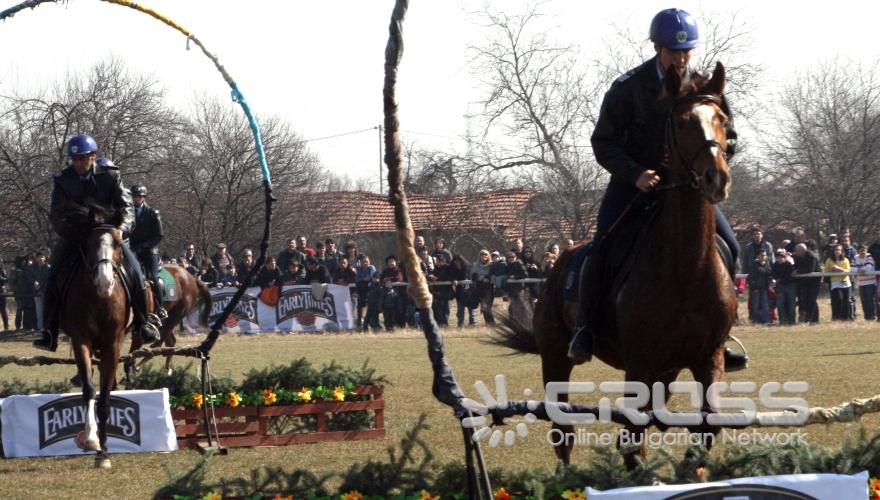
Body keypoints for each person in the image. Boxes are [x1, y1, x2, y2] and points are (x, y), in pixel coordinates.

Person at [568, 8, 745, 370]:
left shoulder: (705, 89)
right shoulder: (627, 88)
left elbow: (731, 137)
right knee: (600, 246)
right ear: (656, 47)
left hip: (689, 189)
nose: (680, 58)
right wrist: (635, 174)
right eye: (672, 51)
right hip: (635, 186)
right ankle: (585, 329)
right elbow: (603, 143)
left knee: (733, 247)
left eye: (686, 51)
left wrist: (712, 162)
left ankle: (719, 335)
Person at [33, 134, 160, 351]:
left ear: (93, 157)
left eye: (83, 158)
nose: (79, 164)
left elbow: (127, 208)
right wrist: (76, 233)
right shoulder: (63, 179)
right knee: (53, 276)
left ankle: (143, 324)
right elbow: (57, 216)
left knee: (138, 273)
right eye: (75, 159)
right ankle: (49, 331)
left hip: (111, 236)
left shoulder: (110, 176)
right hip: (77, 237)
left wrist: (122, 229)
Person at [129, 184, 166, 320]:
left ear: (143, 198)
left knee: (153, 277)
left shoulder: (152, 213)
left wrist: (142, 246)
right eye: (134, 196)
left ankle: (160, 307)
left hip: (148, 250)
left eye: (139, 197)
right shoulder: (126, 211)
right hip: (131, 249)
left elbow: (158, 235)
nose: (136, 199)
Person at [824, 244, 852, 321]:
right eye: (836, 249)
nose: (837, 251)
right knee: (839, 299)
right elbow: (825, 271)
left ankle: (845, 318)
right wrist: (831, 270)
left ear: (842, 251)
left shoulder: (845, 260)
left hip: (845, 283)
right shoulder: (829, 260)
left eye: (839, 250)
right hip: (835, 283)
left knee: (846, 301)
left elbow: (848, 271)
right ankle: (836, 317)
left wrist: (839, 269)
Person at [771, 249, 797, 325]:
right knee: (780, 304)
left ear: (785, 257)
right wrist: (775, 279)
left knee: (792, 304)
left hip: (790, 285)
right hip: (780, 286)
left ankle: (792, 321)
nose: (780, 258)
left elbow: (789, 275)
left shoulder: (789, 264)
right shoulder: (775, 265)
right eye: (778, 257)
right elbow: (774, 275)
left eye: (782, 257)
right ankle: (782, 320)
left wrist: (779, 279)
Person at [747, 249, 772, 325]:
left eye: (765, 255)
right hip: (756, 289)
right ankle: (754, 321)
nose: (763, 257)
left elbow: (769, 275)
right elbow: (750, 278)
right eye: (762, 255)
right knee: (755, 305)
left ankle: (767, 321)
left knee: (765, 305)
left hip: (764, 288)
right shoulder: (754, 265)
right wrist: (754, 288)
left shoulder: (767, 265)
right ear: (757, 256)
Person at [471, 250, 496, 325]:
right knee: (483, 308)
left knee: (486, 307)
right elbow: (473, 277)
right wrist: (480, 278)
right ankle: (489, 324)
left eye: (485, 254)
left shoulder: (492, 265)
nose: (484, 256)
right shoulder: (475, 265)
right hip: (480, 288)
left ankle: (491, 323)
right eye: (482, 254)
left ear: (488, 256)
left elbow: (493, 275)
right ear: (479, 256)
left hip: (489, 289)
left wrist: (487, 278)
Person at [853, 244, 876, 320]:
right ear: (858, 251)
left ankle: (871, 316)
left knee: (870, 300)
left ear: (866, 250)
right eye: (861, 250)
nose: (863, 252)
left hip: (870, 282)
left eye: (864, 250)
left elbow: (869, 267)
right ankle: (866, 317)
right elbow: (852, 268)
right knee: (863, 301)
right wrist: (860, 270)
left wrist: (859, 269)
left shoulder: (869, 256)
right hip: (861, 283)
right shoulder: (855, 258)